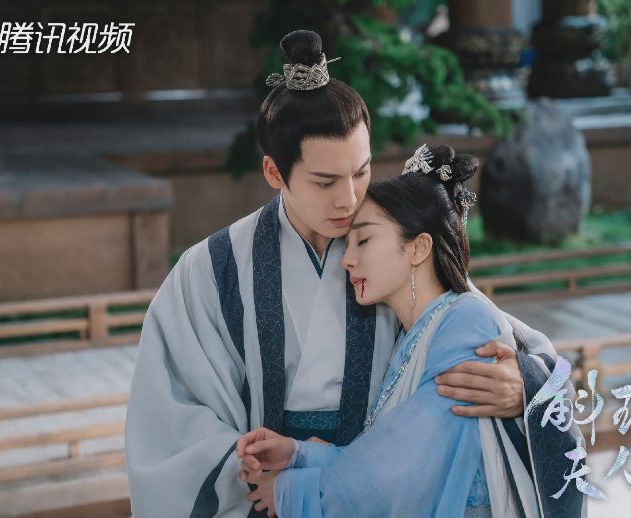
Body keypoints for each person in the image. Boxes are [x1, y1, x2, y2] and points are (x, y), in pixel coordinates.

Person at [125, 30, 578, 518]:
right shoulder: (215, 269)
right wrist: (257, 467)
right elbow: (170, 413)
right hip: (269, 493)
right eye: (325, 182)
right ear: (275, 173)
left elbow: (508, 344)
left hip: (378, 491)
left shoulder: (393, 243)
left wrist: (523, 389)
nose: (348, 199)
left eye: (361, 172)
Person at [236, 145, 586, 518]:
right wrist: (298, 453)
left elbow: (404, 466)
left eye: (363, 240)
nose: (347, 259)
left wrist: (291, 491)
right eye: (346, 245)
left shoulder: (466, 321)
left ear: (419, 247)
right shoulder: (413, 335)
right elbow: (382, 453)